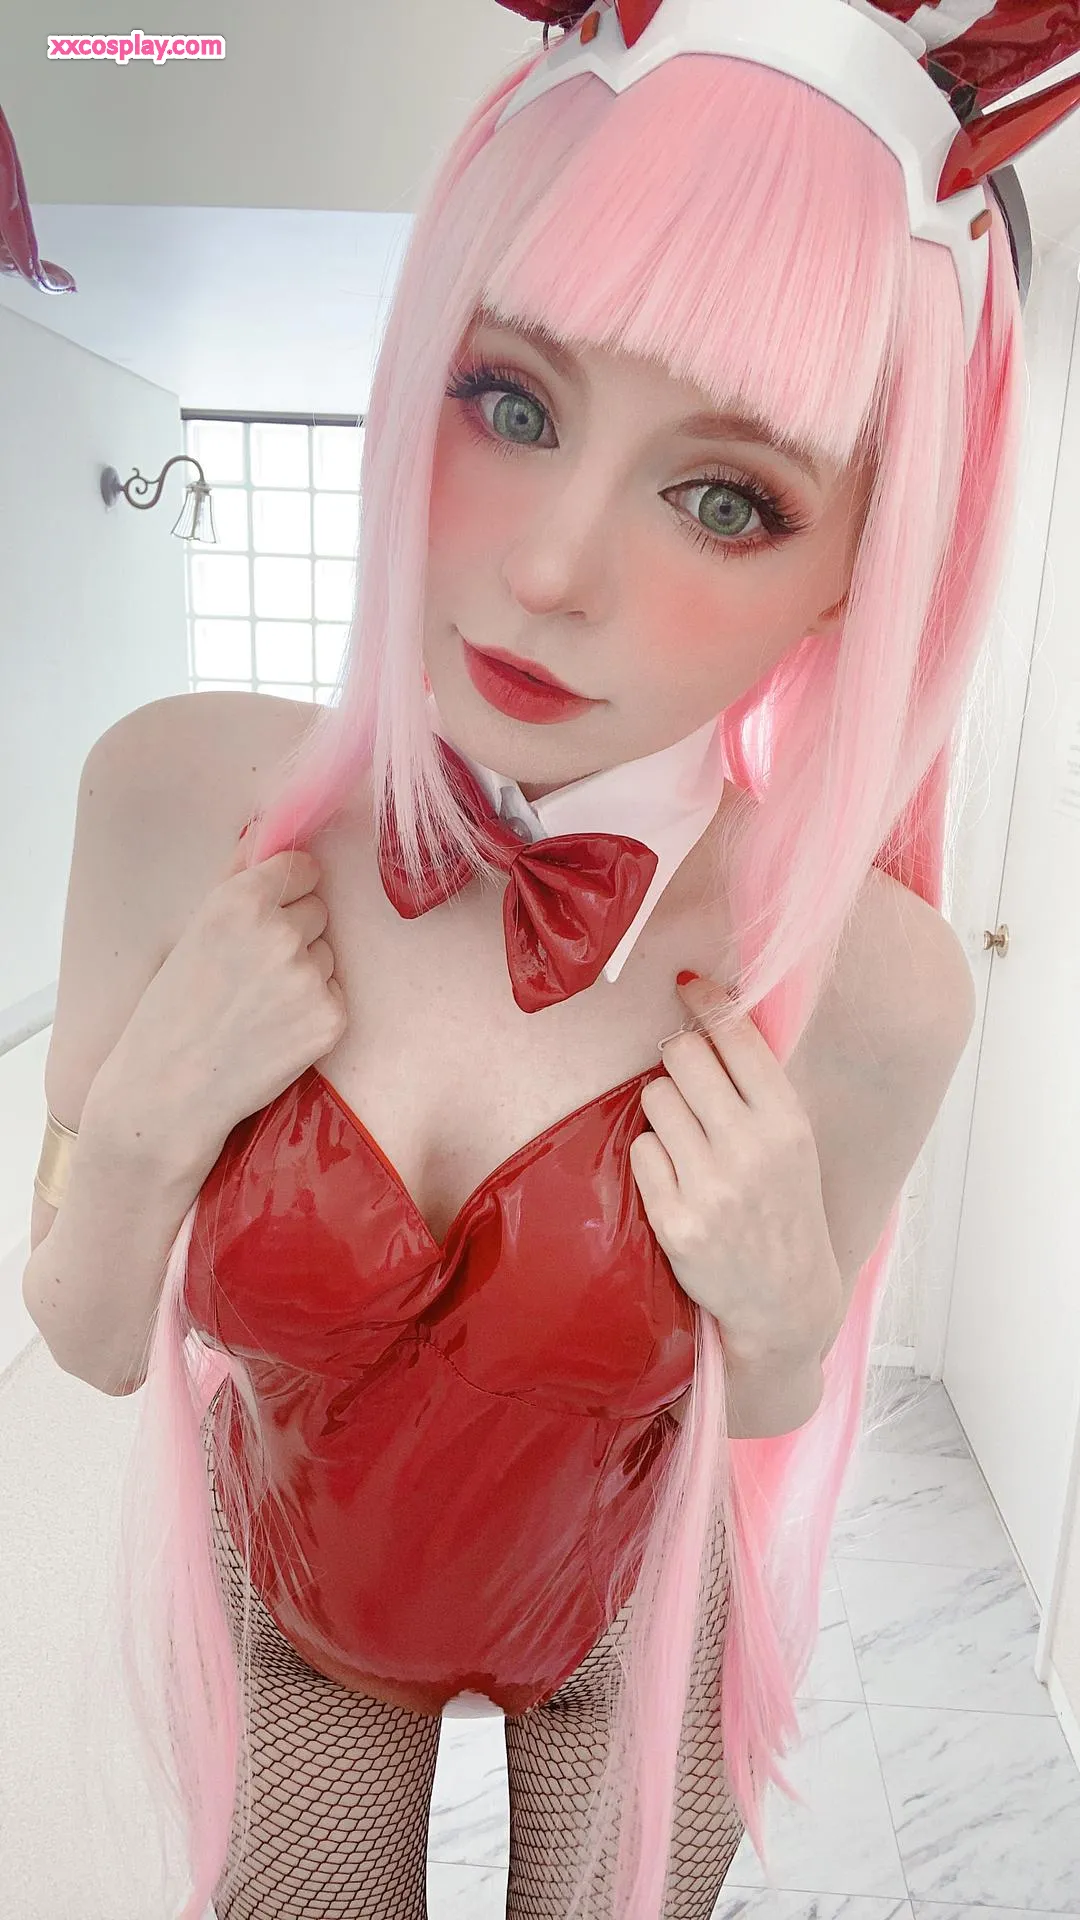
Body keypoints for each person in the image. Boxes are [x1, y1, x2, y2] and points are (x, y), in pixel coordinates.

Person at [25, 2, 1080, 1917]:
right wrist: (160, 1111)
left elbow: (771, 1409)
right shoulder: (177, 796)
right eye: (510, 403)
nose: (547, 569)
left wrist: (780, 1305)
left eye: (725, 497)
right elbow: (91, 1338)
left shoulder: (875, 978)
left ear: (858, 566)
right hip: (310, 1616)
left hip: (635, 1626)